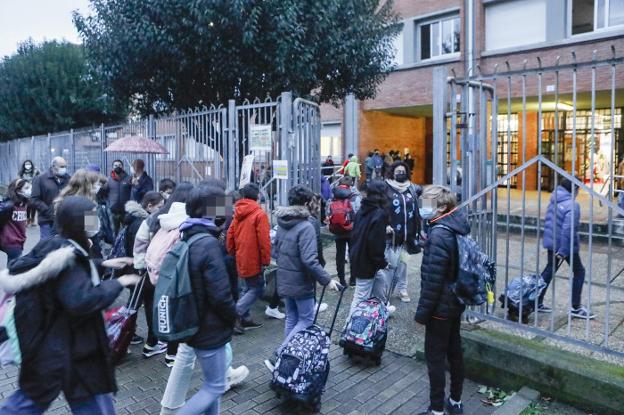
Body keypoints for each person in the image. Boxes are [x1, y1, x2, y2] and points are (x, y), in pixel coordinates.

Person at [0, 195, 140, 415]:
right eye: (91, 216)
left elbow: (68, 277)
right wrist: (118, 283)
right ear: (78, 221)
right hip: (69, 348)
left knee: (30, 401)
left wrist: (100, 263)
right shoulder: (69, 256)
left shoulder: (56, 244)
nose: (97, 221)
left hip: (53, 345)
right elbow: (81, 300)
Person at [159, 184, 249, 415]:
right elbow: (220, 296)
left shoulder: (189, 235)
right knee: (215, 386)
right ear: (213, 210)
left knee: (212, 384)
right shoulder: (208, 244)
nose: (230, 210)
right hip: (210, 327)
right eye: (225, 205)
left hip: (194, 322)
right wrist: (234, 315)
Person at [264, 185, 341, 371]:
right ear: (307, 203)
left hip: (284, 277)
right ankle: (280, 356)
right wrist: (327, 280)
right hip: (301, 282)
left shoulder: (282, 221)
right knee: (306, 319)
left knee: (292, 317)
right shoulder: (305, 226)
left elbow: (275, 250)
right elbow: (310, 260)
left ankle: (286, 358)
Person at [415, 185, 468, 415]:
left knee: (435, 358)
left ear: (442, 207)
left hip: (440, 307)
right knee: (455, 351)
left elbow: (432, 281)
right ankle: (455, 401)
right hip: (456, 300)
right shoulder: (456, 225)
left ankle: (437, 409)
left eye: (427, 204)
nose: (423, 209)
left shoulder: (439, 234)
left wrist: (421, 314)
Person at [538, 178, 594, 319]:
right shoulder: (572, 205)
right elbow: (568, 229)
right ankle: (576, 307)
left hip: (552, 242)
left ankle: (535, 301)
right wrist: (563, 251)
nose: (578, 192)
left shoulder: (555, 199)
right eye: (578, 189)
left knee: (549, 270)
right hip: (566, 245)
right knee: (579, 272)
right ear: (573, 189)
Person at [226, 183, 270, 334]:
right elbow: (264, 240)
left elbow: (230, 235)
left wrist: (233, 252)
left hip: (241, 256)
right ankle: (235, 314)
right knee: (257, 288)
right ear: (257, 196)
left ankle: (245, 318)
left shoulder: (237, 212)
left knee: (246, 287)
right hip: (254, 259)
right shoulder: (259, 214)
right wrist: (265, 260)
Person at [347, 181, 390, 317]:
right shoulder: (379, 213)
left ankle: (382, 311)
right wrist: (382, 262)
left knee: (380, 281)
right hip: (367, 262)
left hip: (359, 256)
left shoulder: (363, 209)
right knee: (361, 296)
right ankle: (349, 328)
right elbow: (375, 245)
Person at [384, 160, 422, 303]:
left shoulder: (412, 188)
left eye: (403, 172)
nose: (401, 174)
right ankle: (386, 292)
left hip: (408, 235)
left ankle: (402, 289)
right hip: (392, 236)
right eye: (398, 172)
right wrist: (384, 224)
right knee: (391, 265)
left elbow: (425, 201)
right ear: (392, 173)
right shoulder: (386, 188)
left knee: (404, 264)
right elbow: (380, 208)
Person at [328, 175, 362, 287]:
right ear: (351, 185)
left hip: (338, 231)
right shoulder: (355, 197)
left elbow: (329, 214)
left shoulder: (334, 198)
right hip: (352, 230)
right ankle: (353, 279)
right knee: (353, 255)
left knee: (340, 255)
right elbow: (359, 214)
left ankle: (341, 280)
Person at [31, 156, 69, 240]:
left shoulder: (68, 178)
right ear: (53, 166)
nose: (64, 169)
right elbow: (34, 199)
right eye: (62, 167)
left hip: (64, 220)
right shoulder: (40, 179)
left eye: (65, 167)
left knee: (62, 246)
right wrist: (49, 211)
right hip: (47, 220)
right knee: (47, 245)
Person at [0, 179, 31, 264]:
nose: (30, 190)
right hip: (11, 242)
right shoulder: (9, 206)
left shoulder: (24, 203)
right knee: (14, 270)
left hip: (19, 240)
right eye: (27, 188)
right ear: (18, 191)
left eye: (30, 187)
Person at [107, 160, 132, 235]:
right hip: (113, 211)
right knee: (114, 232)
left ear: (123, 167)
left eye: (119, 165)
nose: (117, 167)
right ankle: (114, 246)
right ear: (112, 167)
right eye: (115, 165)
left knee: (127, 231)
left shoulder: (129, 179)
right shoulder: (108, 179)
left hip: (125, 211)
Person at [18, 160, 39, 226]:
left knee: (33, 205)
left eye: (29, 164)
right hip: (24, 191)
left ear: (31, 164)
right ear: (24, 165)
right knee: (26, 205)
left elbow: (38, 179)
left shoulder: (35, 172)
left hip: (33, 190)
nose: (28, 165)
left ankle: (32, 219)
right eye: (26, 164)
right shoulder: (21, 173)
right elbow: (20, 181)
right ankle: (27, 219)